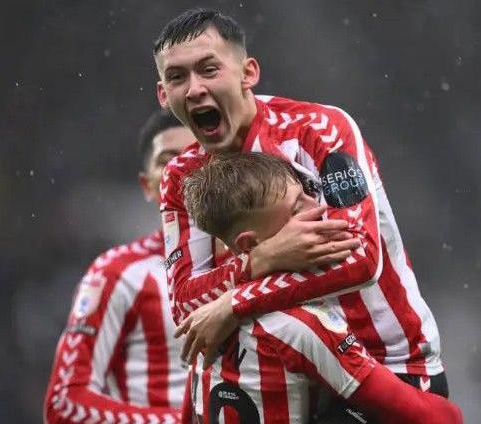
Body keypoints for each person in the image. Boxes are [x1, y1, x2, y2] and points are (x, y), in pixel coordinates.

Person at [155, 8, 448, 396]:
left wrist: (236, 301)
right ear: (163, 95)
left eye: (209, 70)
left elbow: (361, 258)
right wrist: (262, 258)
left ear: (248, 74)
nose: (194, 89)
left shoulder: (320, 129)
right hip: (287, 381)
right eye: (177, 77)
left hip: (391, 366)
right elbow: (186, 308)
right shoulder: (180, 177)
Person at [178, 152, 462, 423]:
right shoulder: (303, 326)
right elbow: (442, 418)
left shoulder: (203, 322)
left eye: (306, 193)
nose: (319, 208)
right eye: (297, 208)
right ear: (249, 244)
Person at [43, 110, 195, 423]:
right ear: (147, 185)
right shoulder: (116, 274)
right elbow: (62, 404)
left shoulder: (259, 264)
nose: (182, 169)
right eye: (168, 160)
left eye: (195, 155)